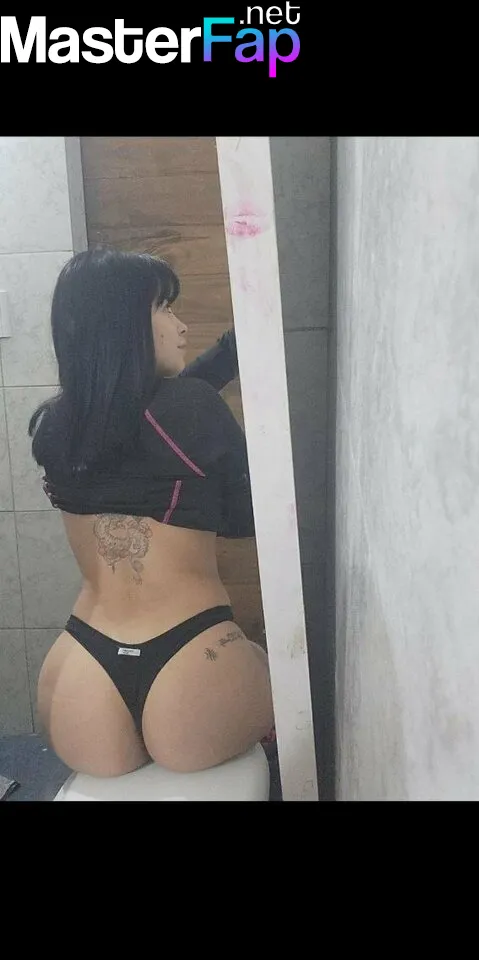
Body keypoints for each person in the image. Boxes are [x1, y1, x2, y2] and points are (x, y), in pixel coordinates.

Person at [28, 247, 274, 778]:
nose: (180, 326)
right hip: (193, 657)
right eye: (164, 307)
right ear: (125, 325)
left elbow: (145, 415)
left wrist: (230, 351)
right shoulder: (190, 411)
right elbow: (246, 520)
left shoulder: (57, 426)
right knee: (268, 668)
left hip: (79, 671)